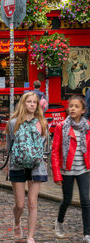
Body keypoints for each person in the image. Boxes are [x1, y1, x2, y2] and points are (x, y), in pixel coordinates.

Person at [7, 92, 48, 243]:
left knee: (32, 202)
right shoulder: (13, 123)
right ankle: (17, 222)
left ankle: (30, 236)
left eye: (34, 102)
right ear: (23, 104)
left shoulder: (42, 123)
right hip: (17, 165)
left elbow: (42, 146)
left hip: (36, 166)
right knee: (20, 205)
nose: (32, 104)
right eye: (29, 102)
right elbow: (9, 145)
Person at [51, 95, 90, 242]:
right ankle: (59, 222)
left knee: (86, 201)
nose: (73, 108)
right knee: (67, 200)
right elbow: (55, 151)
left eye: (76, 106)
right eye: (71, 106)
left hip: (83, 170)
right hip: (66, 170)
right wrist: (56, 174)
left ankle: (87, 233)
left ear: (83, 110)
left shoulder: (88, 127)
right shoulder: (61, 127)